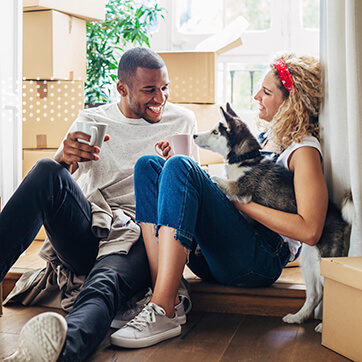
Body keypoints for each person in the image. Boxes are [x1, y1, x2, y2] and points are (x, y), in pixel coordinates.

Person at [110, 53, 326, 348]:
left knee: (182, 167)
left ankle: (163, 309)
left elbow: (310, 230)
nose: (255, 96)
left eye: (266, 91)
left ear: (292, 101)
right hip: (218, 256)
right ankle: (166, 294)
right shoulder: (268, 139)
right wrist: (189, 179)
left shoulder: (303, 150)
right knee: (148, 165)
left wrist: (238, 201)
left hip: (258, 259)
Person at [0, 47, 197, 361]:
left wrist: (176, 166)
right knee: (46, 170)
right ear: (122, 88)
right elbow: (58, 183)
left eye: (164, 87)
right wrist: (63, 158)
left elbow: (189, 191)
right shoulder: (92, 119)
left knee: (104, 282)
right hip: (91, 225)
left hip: (139, 235)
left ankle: (58, 352)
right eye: (149, 90)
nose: (160, 98)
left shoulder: (181, 120)